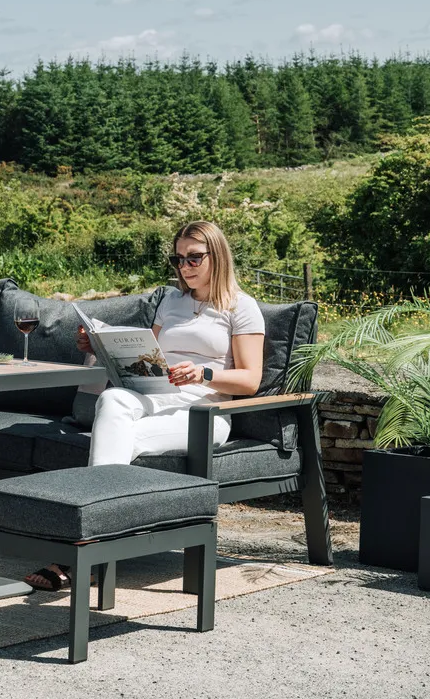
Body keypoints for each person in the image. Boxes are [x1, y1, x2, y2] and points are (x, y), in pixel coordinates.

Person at [25, 220, 265, 592]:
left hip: (204, 411)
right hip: (156, 394)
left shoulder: (241, 307)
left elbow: (251, 380)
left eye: (194, 258)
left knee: (125, 434)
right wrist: (100, 347)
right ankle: (99, 544)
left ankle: (86, 547)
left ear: (217, 256)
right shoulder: (171, 301)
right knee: (113, 398)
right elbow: (145, 356)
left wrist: (203, 373)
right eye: (178, 259)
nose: (184, 267)